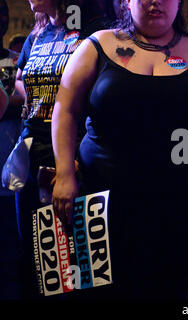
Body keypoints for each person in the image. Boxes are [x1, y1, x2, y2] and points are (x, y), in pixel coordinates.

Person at [51, 0, 188, 299]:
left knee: (173, 288)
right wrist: (63, 174)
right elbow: (66, 109)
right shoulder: (98, 44)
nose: (156, 2)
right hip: (102, 205)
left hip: (179, 208)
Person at [14, 0, 112, 299]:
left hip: (76, 159)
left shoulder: (96, 30)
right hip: (31, 160)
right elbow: (21, 81)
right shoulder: (39, 33)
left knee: (82, 271)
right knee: (40, 270)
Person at [0, 0, 23, 300]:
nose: (1, 17)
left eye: (3, 11)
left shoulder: (19, 60)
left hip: (14, 181)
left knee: (13, 264)